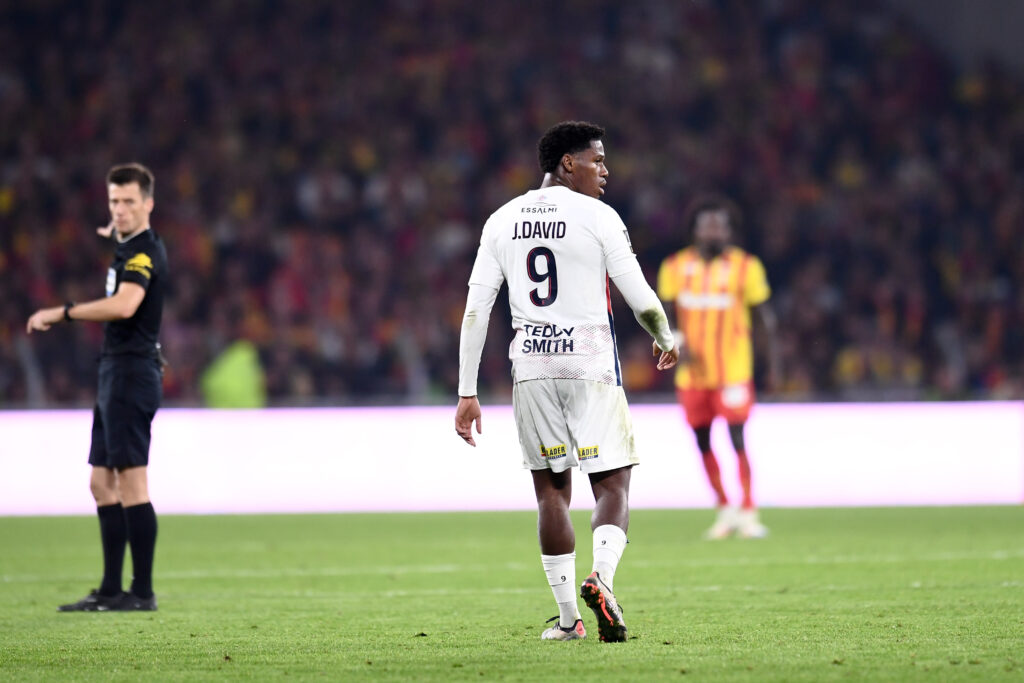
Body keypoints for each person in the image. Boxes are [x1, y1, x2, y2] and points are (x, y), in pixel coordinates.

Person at [455, 121, 678, 642]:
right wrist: (665, 336)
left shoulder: (500, 220)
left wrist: (467, 392)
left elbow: (474, 311)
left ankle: (567, 620)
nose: (606, 171)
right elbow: (639, 295)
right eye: (598, 161)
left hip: (532, 367)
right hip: (591, 363)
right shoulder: (598, 216)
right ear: (568, 163)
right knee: (613, 481)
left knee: (551, 494)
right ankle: (601, 577)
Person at [27, 163, 167, 611]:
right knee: (100, 484)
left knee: (131, 484)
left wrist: (61, 312)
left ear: (149, 203)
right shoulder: (128, 245)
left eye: (129, 201)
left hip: (130, 373)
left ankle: (141, 592)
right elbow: (125, 243)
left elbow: (126, 305)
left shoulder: (143, 254)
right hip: (114, 372)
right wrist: (116, 233)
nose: (120, 210)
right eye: (114, 201)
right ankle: (110, 591)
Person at [656, 194, 780, 539]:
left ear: (729, 232)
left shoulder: (746, 267)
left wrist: (773, 366)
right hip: (692, 374)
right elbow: (664, 313)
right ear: (694, 231)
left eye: (720, 226)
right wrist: (676, 340)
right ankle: (724, 509)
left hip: (733, 370)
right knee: (702, 440)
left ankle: (749, 511)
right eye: (707, 225)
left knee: (738, 437)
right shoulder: (675, 267)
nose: (713, 232)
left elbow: (764, 319)